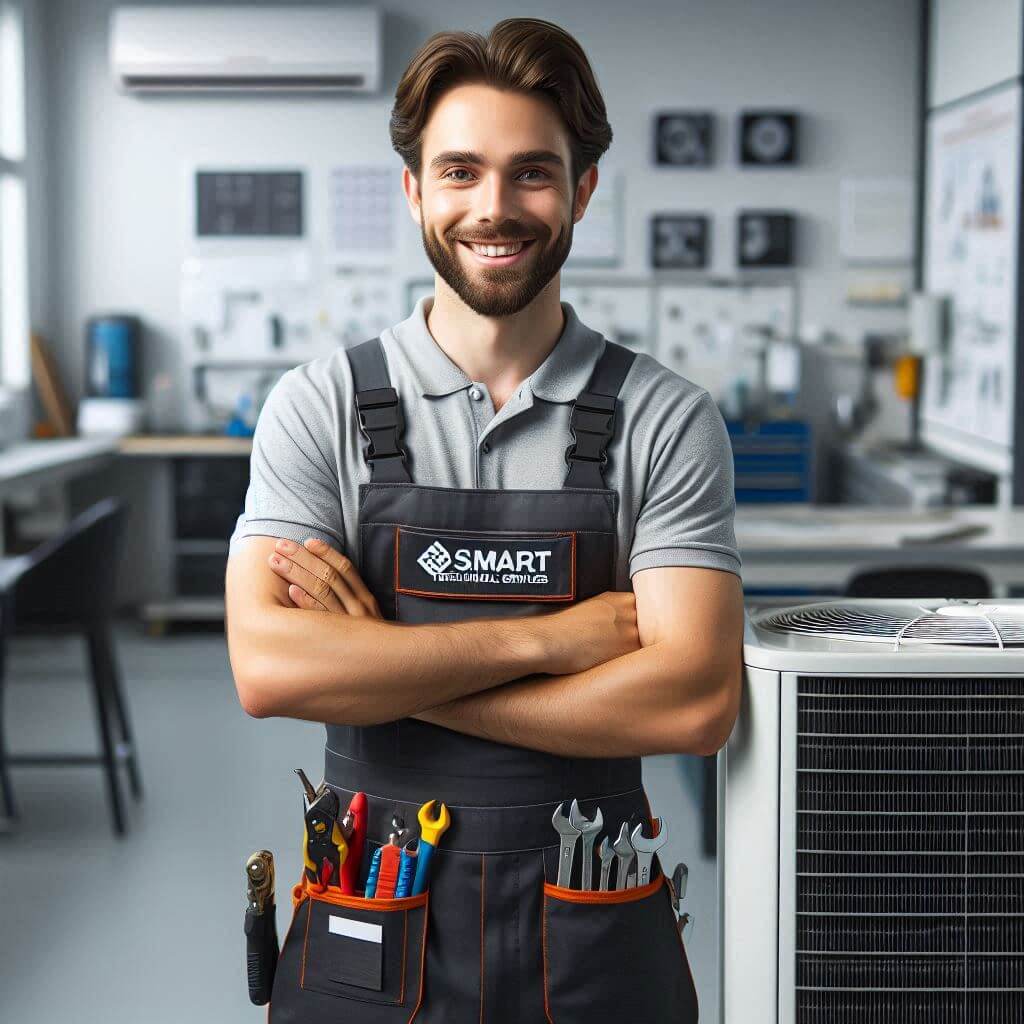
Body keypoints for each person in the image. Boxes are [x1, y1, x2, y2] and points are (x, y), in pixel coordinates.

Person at [226, 17, 744, 1022]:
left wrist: (384, 665)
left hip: (588, 923)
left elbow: (690, 704)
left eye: (532, 173)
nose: (493, 208)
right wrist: (544, 639)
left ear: (583, 190)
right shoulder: (320, 405)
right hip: (373, 909)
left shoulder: (663, 418)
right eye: (459, 171)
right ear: (415, 189)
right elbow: (271, 670)